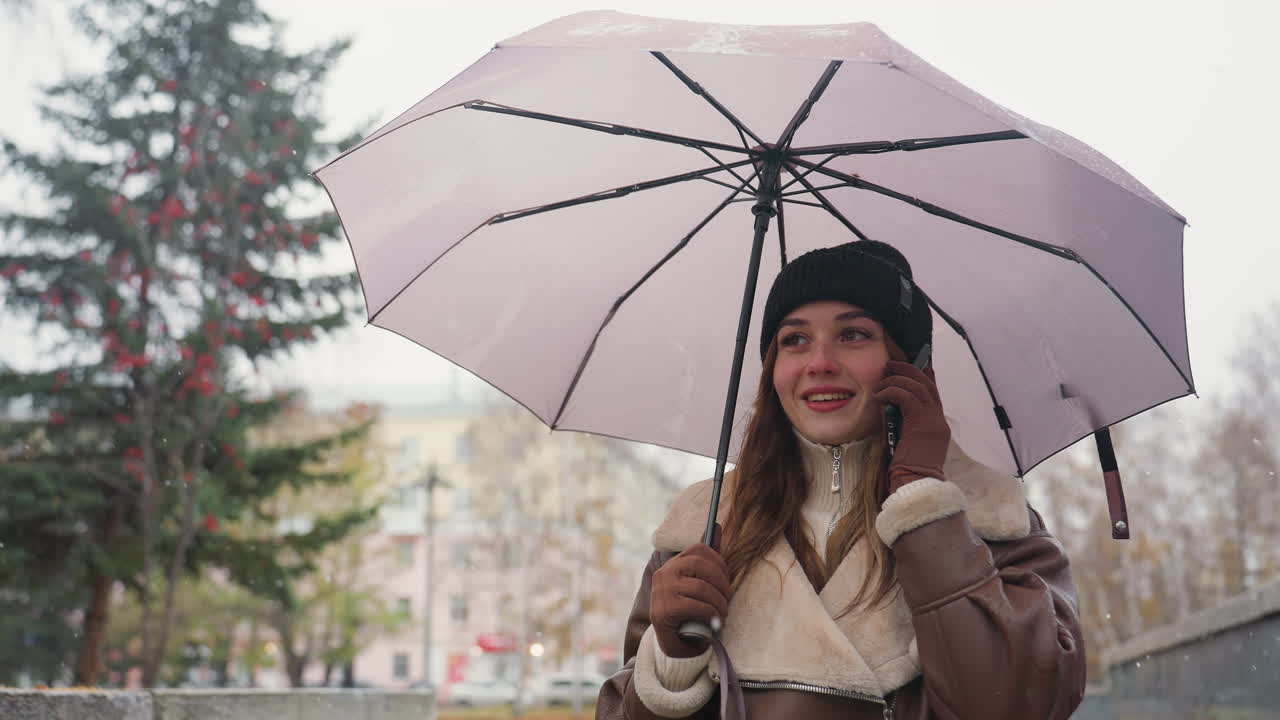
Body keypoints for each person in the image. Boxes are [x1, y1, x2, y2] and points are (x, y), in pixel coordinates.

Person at [596, 240, 1087, 720]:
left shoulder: (996, 526)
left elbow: (1015, 703)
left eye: (853, 335)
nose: (819, 363)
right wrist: (673, 666)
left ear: (911, 366)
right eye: (794, 339)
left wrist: (921, 499)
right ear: (772, 370)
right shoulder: (698, 532)